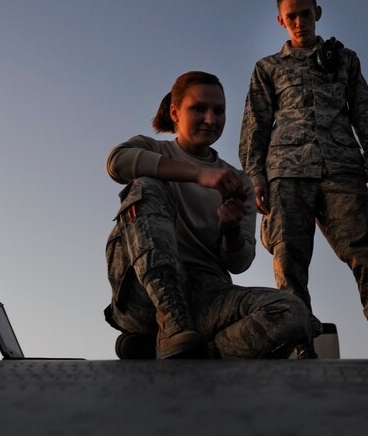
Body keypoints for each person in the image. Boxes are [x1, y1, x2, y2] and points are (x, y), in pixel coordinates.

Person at [239, 0, 368, 359]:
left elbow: (364, 111)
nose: (299, 22)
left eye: (304, 13)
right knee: (288, 260)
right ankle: (302, 347)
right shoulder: (268, 68)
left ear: (317, 13)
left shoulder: (344, 60)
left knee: (367, 251)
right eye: (291, 17)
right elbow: (255, 125)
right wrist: (255, 177)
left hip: (342, 168)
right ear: (280, 21)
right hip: (286, 172)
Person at [103, 70, 313, 359]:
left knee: (293, 312)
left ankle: (197, 352)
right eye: (198, 108)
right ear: (175, 113)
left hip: (207, 297)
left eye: (218, 110)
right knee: (146, 185)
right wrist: (199, 174)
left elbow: (240, 263)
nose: (210, 119)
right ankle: (171, 323)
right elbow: (117, 163)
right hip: (144, 297)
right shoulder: (152, 149)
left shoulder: (238, 180)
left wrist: (230, 231)